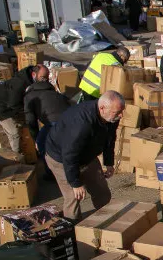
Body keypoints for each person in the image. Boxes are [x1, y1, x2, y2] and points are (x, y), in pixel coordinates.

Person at [44, 91, 124, 221]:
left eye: (121, 111)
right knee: (73, 196)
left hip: (87, 156)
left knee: (101, 189)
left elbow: (110, 139)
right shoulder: (81, 123)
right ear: (102, 108)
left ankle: (109, 222)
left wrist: (109, 162)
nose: (121, 115)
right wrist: (75, 183)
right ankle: (72, 227)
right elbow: (69, 154)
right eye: (117, 112)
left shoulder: (111, 117)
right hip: (61, 159)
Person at [0, 64, 48, 154]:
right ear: (34, 74)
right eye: (43, 77)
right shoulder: (20, 84)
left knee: (26, 125)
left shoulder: (33, 80)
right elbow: (13, 104)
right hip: (0, 106)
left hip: (14, 103)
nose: (46, 80)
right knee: (14, 132)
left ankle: (32, 152)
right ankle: (16, 157)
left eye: (47, 77)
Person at [23, 70, 70, 158]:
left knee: (42, 146)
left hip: (54, 123)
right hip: (71, 120)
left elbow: (31, 120)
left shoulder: (30, 97)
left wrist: (35, 138)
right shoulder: (55, 93)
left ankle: (49, 165)